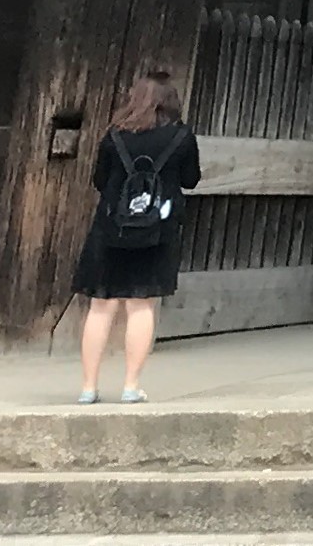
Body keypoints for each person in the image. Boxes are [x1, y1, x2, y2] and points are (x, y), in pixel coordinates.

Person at [71, 68, 197, 406]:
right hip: (156, 229)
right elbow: (191, 179)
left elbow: (99, 180)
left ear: (135, 98)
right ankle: (130, 386)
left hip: (111, 226)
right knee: (142, 306)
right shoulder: (181, 137)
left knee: (100, 307)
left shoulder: (114, 135)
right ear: (171, 102)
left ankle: (88, 387)